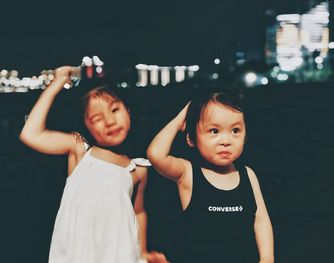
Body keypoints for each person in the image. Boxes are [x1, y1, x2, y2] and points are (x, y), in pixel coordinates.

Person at [20, 65, 168, 263]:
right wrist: (56, 83)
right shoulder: (80, 150)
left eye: (115, 109)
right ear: (86, 127)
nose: (109, 121)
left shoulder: (138, 169)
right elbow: (30, 134)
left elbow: (139, 212)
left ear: (129, 111)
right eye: (97, 118)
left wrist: (142, 252)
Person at [147, 89, 274, 263]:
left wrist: (267, 258)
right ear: (191, 138)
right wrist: (179, 120)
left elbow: (260, 220)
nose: (226, 141)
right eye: (214, 131)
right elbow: (155, 155)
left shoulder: (248, 175)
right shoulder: (188, 173)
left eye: (235, 130)